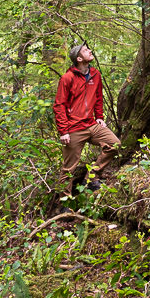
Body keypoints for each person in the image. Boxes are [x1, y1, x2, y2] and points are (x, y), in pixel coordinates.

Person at [53, 43, 117, 189]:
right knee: (68, 169)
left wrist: (99, 116)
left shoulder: (95, 74)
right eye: (85, 50)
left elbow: (98, 97)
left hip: (92, 124)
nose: (90, 51)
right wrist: (63, 131)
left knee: (114, 144)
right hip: (74, 128)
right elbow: (59, 105)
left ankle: (91, 178)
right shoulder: (67, 78)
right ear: (79, 58)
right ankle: (65, 202)